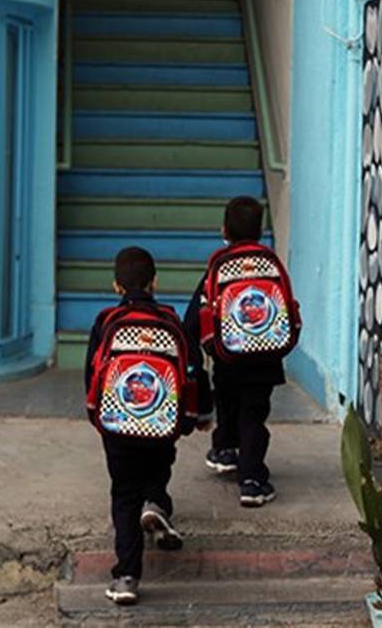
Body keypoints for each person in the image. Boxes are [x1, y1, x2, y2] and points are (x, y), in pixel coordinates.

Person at [85, 247, 213, 605]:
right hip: (161, 424)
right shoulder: (170, 321)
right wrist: (200, 414)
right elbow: (194, 369)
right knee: (157, 466)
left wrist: (98, 416)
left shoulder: (106, 322)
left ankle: (126, 577)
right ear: (155, 283)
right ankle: (155, 502)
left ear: (116, 286)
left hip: (118, 427)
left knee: (124, 494)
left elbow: (92, 375)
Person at [184, 196, 293, 507]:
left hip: (227, 358)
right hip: (265, 360)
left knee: (228, 406)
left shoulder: (219, 266)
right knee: (253, 416)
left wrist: (196, 357)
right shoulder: (270, 263)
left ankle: (228, 454)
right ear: (260, 231)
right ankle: (253, 479)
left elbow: (194, 318)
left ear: (224, 230)